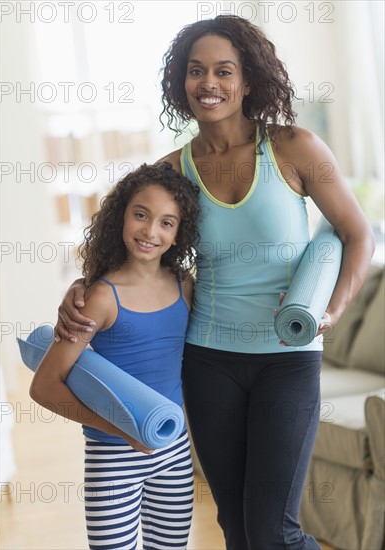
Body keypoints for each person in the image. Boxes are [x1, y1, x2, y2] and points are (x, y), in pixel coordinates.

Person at [55, 15, 376, 550]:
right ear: (181, 83)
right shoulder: (173, 170)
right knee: (237, 526)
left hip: (288, 355)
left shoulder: (294, 147)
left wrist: (334, 309)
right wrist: (83, 285)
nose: (210, 83)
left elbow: (357, 234)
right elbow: (136, 249)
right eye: (195, 71)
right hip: (207, 359)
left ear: (247, 80)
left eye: (224, 71)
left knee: (275, 529)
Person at [30, 162, 201, 550]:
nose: (150, 231)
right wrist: (119, 430)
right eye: (141, 215)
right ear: (121, 215)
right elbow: (44, 386)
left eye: (166, 223)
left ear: (179, 234)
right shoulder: (101, 298)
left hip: (173, 453)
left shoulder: (185, 287)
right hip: (112, 459)